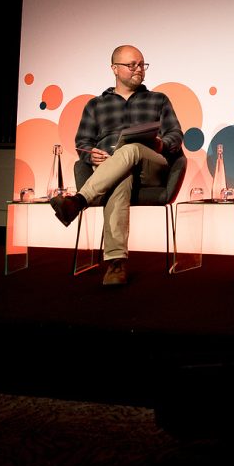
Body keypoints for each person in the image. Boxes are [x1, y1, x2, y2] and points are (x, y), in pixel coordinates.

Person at [49, 45, 183, 287]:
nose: (138, 69)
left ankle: (78, 201)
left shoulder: (158, 99)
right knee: (121, 174)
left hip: (150, 165)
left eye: (141, 64)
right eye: (131, 65)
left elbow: (175, 135)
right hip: (113, 168)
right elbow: (82, 143)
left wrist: (160, 143)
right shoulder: (95, 105)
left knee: (130, 149)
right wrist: (92, 156)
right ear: (114, 68)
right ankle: (116, 263)